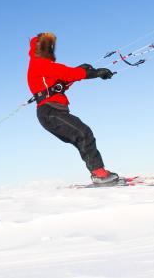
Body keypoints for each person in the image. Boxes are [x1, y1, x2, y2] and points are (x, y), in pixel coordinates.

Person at [27, 32, 119, 184]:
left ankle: (99, 173)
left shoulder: (45, 65)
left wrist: (82, 70)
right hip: (50, 112)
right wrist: (95, 73)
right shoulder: (39, 63)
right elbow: (68, 74)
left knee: (82, 137)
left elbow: (62, 82)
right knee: (83, 133)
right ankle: (100, 175)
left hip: (53, 111)